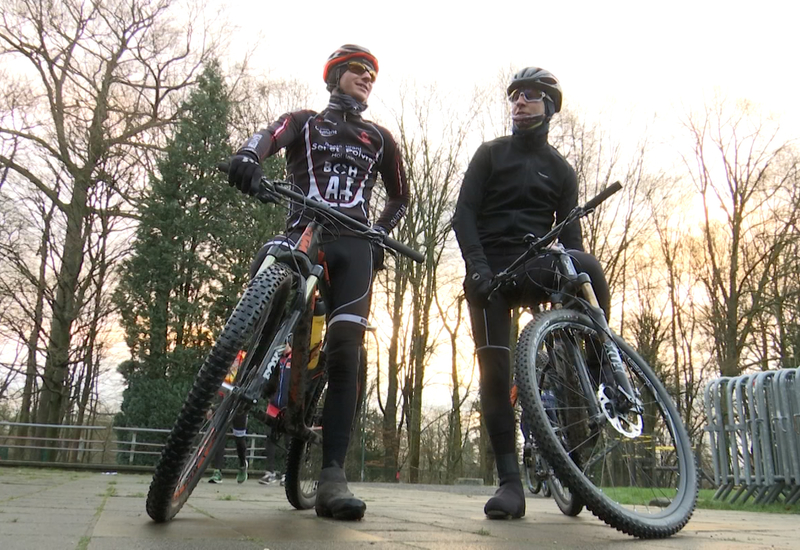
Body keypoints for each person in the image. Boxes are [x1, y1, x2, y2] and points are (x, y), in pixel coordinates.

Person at [226, 44, 408, 521]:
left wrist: (380, 235)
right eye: (356, 70)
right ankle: (256, 355)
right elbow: (268, 135)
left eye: (372, 72)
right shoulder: (305, 121)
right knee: (272, 262)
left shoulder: (381, 138)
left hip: (355, 245)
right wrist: (249, 156)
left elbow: (400, 197)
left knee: (348, 350)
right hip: (305, 231)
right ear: (334, 77)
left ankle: (332, 476)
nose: (366, 76)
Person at [452, 67, 610, 519]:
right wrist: (477, 268)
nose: (520, 103)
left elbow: (573, 239)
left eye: (531, 96)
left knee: (588, 265)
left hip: (537, 263)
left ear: (550, 107)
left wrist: (574, 282)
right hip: (491, 271)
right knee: (495, 374)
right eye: (515, 96)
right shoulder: (489, 155)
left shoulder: (560, 169)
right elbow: (464, 214)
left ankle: (600, 367)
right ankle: (509, 485)